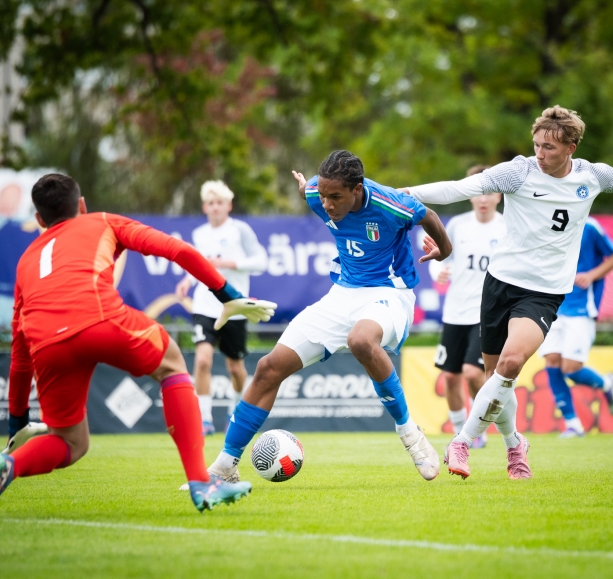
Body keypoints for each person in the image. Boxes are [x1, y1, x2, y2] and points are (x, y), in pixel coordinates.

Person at [407, 105, 613, 480]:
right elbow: (458, 189)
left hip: (544, 292)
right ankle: (514, 445)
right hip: (501, 282)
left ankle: (461, 442)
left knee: (509, 366)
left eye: (549, 148)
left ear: (571, 147)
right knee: (494, 378)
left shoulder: (593, 175)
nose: (540, 154)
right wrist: (396, 193)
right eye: (537, 145)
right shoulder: (518, 170)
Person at [0, 173, 276, 519]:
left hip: (47, 344)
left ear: (39, 219)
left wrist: (16, 422)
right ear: (81, 205)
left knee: (70, 443)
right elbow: (177, 250)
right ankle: (202, 482)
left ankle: (8, 465)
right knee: (172, 364)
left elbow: (19, 354)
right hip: (98, 319)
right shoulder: (103, 221)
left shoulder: (25, 263)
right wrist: (227, 294)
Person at [203, 150, 453, 484]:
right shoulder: (315, 195)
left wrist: (443, 251)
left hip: (390, 292)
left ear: (358, 189)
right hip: (342, 294)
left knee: (361, 341)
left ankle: (410, 433)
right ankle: (224, 465)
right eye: (323, 196)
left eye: (336, 197)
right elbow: (311, 191)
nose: (328, 204)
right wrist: (311, 188)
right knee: (267, 368)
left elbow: (430, 216)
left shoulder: (391, 203)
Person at [176, 180, 268, 435]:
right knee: (203, 360)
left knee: (235, 368)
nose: (215, 208)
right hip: (205, 306)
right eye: (211, 203)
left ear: (229, 205)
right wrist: (187, 280)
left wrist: (228, 263)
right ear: (205, 207)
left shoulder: (240, 230)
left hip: (234, 305)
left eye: (220, 203)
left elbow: (261, 262)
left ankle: (234, 410)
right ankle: (204, 420)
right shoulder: (199, 234)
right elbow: (200, 265)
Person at [429, 165, 505, 446]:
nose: (483, 198)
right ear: (470, 195)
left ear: (499, 195)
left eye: (489, 192)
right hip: (455, 312)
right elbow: (441, 261)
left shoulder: (508, 227)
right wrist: (439, 272)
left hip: (487, 315)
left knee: (473, 373)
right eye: (478, 192)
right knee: (450, 377)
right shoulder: (457, 225)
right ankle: (462, 433)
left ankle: (476, 430)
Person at [538, 216, 613, 438]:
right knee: (552, 362)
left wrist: (591, 275)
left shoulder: (589, 225)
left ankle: (606, 384)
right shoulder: (544, 221)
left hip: (581, 309)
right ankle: (573, 424)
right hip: (552, 306)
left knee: (571, 368)